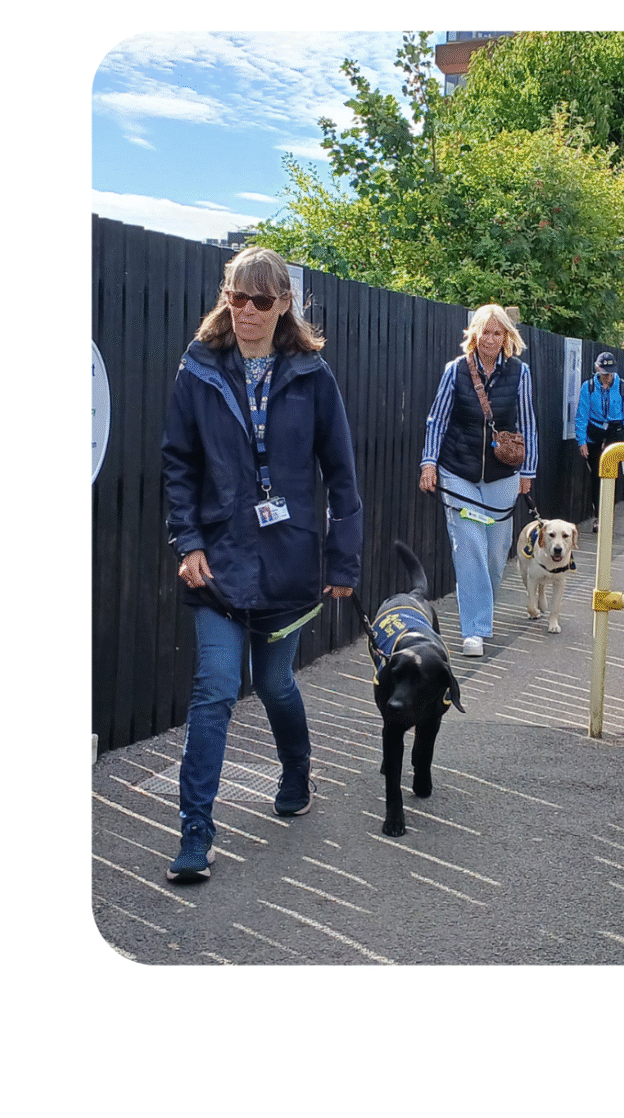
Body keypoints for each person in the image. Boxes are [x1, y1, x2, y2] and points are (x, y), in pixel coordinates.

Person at [161, 247, 362, 883]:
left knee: (275, 682)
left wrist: (343, 560)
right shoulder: (196, 372)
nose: (246, 312)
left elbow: (342, 474)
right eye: (236, 298)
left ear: (284, 306)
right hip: (218, 562)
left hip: (289, 561)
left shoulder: (312, 374)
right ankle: (196, 833)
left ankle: (297, 770)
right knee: (216, 688)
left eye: (260, 301)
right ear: (226, 298)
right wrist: (187, 543)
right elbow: (178, 466)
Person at [419, 304, 538, 658]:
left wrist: (528, 470)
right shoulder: (455, 371)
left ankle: (480, 614)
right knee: (469, 544)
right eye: (484, 332)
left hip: (503, 473)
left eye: (497, 332)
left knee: (496, 551)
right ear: (474, 334)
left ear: (506, 338)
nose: (490, 339)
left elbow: (528, 421)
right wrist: (429, 463)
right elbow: (437, 420)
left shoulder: (520, 373)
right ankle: (475, 628)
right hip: (458, 471)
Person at [575, 351, 624, 532]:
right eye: (604, 373)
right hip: (594, 432)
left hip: (615, 431)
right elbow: (581, 415)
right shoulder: (588, 387)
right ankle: (598, 516)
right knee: (597, 475)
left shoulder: (622, 387)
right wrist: (582, 441)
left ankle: (609, 514)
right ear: (597, 369)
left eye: (610, 373)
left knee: (613, 474)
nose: (607, 377)